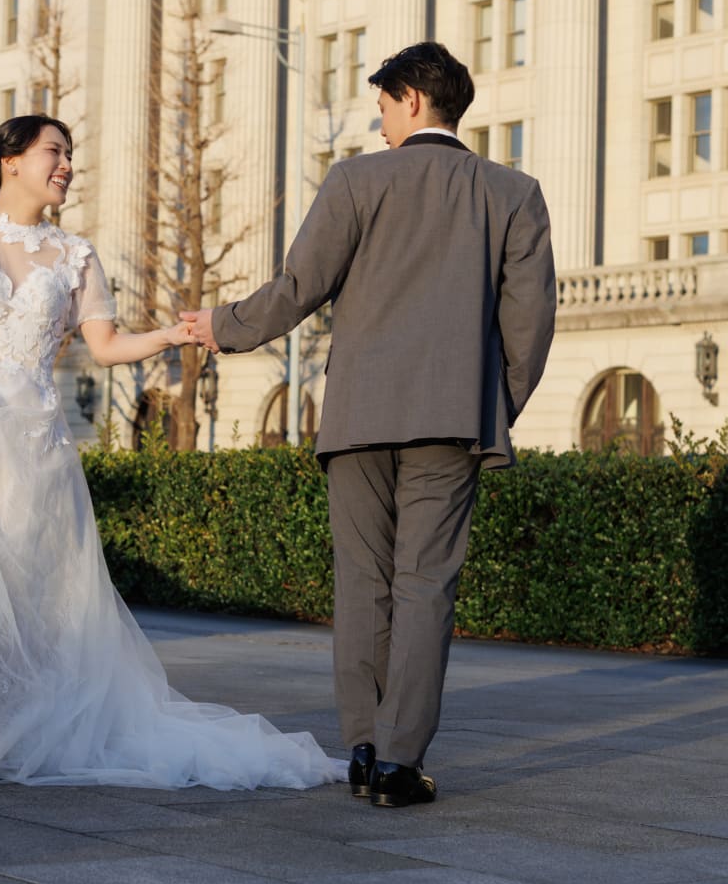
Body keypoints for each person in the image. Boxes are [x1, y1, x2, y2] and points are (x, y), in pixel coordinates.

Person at [0, 114, 345, 790]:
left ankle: (20, 726)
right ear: (11, 159)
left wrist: (172, 336)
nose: (67, 164)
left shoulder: (75, 256)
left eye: (70, 154)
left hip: (37, 451)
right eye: (55, 152)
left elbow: (104, 347)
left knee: (32, 598)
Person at [185, 42, 556, 808]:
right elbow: (531, 326)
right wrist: (494, 405)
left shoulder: (355, 180)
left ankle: (360, 745)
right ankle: (398, 763)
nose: (379, 120)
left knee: (362, 583)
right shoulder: (514, 193)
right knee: (426, 587)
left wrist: (222, 326)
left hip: (355, 418)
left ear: (413, 98)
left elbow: (298, 288)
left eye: (384, 104)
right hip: (452, 420)